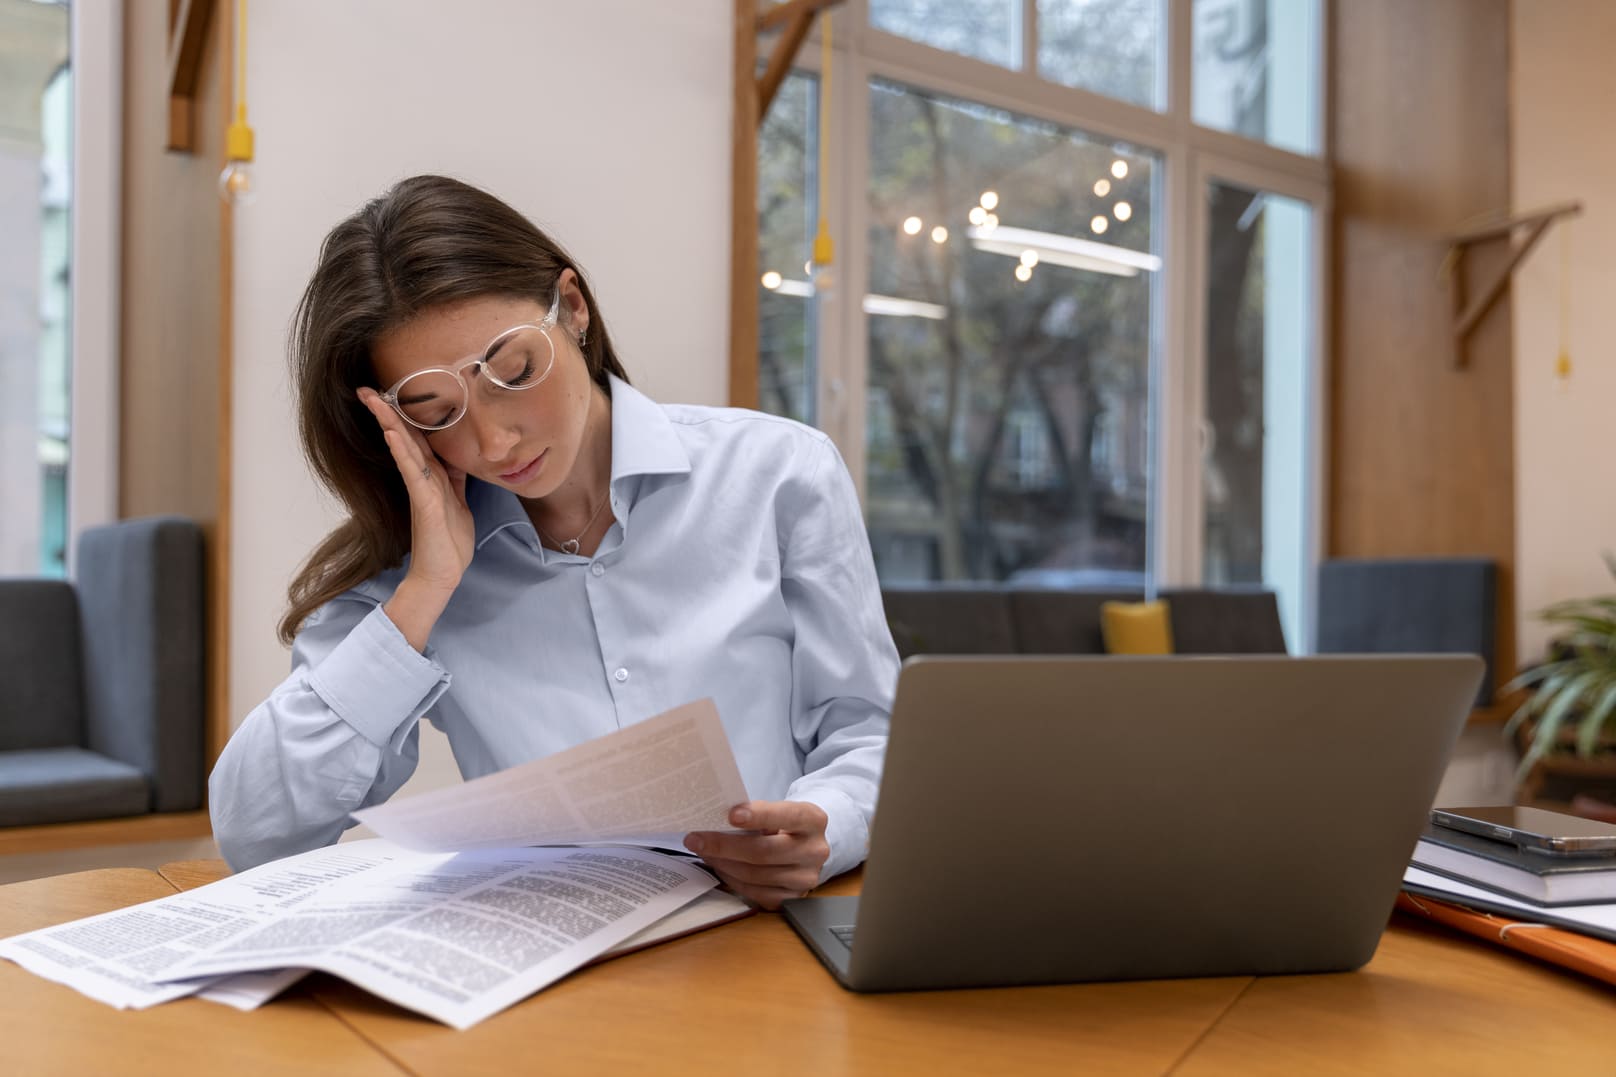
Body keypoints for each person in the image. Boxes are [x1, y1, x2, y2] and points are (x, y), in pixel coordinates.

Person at [209, 175, 897, 909]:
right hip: (550, 972)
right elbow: (256, 833)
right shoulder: (413, 571)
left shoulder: (778, 473)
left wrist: (826, 826)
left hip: (769, 940)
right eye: (436, 411)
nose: (494, 439)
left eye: (514, 372)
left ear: (572, 308)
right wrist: (422, 596)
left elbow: (870, 733)